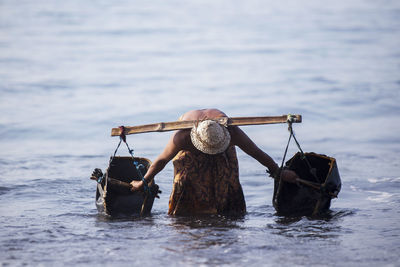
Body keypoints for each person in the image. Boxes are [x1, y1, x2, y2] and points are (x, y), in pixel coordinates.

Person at [130, 108, 299, 216]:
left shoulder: (232, 132)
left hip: (221, 149)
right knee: (184, 181)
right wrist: (143, 181)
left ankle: (227, 215)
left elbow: (256, 153)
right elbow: (161, 161)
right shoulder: (182, 137)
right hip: (191, 150)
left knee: (226, 181)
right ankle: (187, 216)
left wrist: (278, 172)